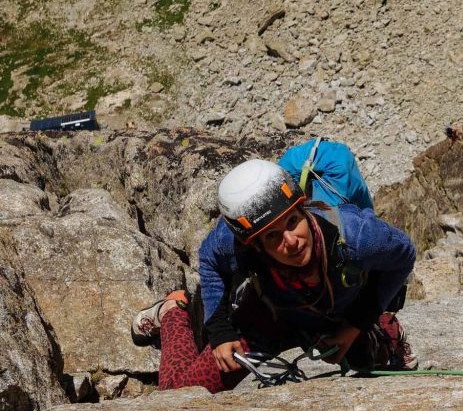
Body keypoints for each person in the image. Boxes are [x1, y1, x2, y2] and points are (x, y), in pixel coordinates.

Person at [131, 158, 417, 392]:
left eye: (293, 221)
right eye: (272, 236)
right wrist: (219, 330)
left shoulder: (357, 236)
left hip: (336, 315)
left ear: (302, 208)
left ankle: (385, 329)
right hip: (268, 316)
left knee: (368, 360)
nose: (291, 241)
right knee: (182, 394)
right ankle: (173, 310)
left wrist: (357, 323)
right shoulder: (236, 243)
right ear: (254, 244)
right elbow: (210, 258)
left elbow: (403, 256)